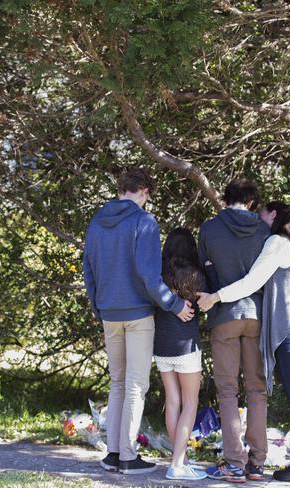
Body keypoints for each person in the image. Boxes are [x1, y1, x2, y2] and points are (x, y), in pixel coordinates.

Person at [198, 202, 290, 484]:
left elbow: (251, 282)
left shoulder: (276, 243)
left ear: (274, 215)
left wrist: (215, 297)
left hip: (289, 327)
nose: (258, 218)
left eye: (263, 213)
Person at [82, 168, 194, 475]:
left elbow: (88, 272)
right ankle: (129, 456)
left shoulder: (96, 223)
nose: (147, 202)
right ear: (143, 190)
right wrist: (173, 304)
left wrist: (99, 308)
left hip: (109, 313)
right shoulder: (143, 222)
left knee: (117, 383)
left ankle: (113, 454)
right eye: (148, 196)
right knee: (134, 386)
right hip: (137, 314)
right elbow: (148, 275)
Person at [198, 178, 271, 483]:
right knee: (257, 389)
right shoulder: (265, 232)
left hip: (224, 314)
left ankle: (234, 462)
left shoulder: (209, 229)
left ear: (224, 199)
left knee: (228, 390)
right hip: (256, 315)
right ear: (252, 202)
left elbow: (205, 272)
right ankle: (257, 462)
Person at [153, 228, 208, 481]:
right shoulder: (197, 276)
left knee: (172, 401)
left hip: (162, 345)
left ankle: (180, 460)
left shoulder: (158, 275)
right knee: (190, 404)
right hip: (186, 347)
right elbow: (205, 305)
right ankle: (177, 464)